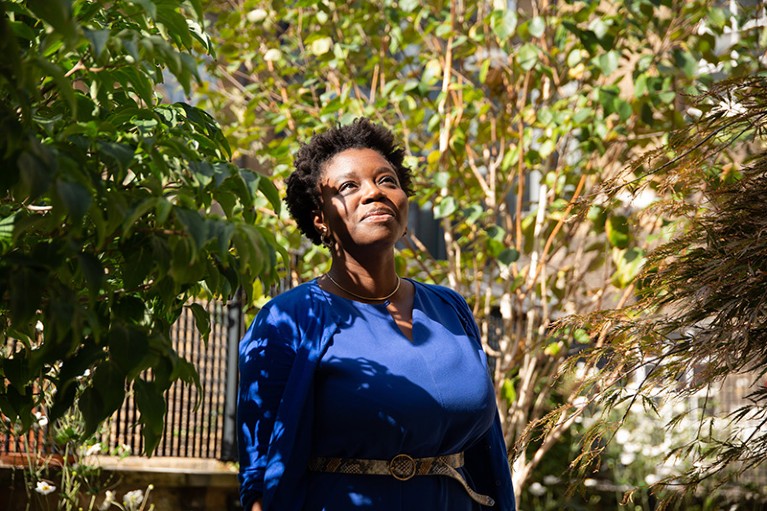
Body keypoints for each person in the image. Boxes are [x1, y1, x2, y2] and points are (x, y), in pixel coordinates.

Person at [237, 118, 516, 511]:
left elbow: (489, 455)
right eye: (349, 186)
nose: (373, 193)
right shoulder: (289, 319)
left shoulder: (450, 308)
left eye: (387, 181)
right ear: (320, 219)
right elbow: (260, 474)